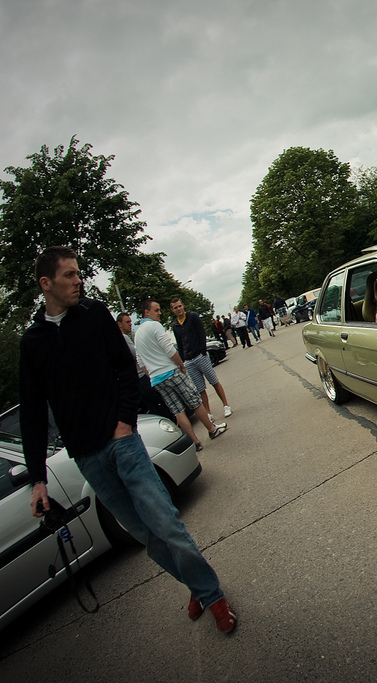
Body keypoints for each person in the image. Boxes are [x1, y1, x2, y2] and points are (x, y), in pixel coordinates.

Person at [20, 247, 237, 633]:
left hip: (123, 442)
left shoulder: (94, 316)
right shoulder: (33, 342)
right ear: (45, 283)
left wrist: (124, 422)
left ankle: (212, 593)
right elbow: (33, 411)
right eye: (69, 275)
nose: (78, 280)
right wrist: (38, 477)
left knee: (166, 524)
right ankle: (195, 585)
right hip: (87, 457)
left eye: (79, 273)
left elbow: (124, 368)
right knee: (146, 536)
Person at [135, 299, 228, 450]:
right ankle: (212, 429)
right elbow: (169, 349)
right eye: (156, 310)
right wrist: (181, 365)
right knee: (194, 400)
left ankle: (195, 442)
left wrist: (152, 373)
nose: (159, 313)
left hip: (156, 379)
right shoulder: (154, 326)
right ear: (147, 312)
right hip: (170, 372)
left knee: (177, 410)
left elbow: (140, 362)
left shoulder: (137, 334)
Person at [170, 297, 232, 422]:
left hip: (200, 355)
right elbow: (180, 343)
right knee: (200, 388)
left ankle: (226, 405)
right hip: (189, 360)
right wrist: (182, 361)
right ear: (172, 310)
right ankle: (208, 413)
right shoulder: (175, 326)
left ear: (183, 305)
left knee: (213, 381)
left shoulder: (192, 317)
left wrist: (203, 351)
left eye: (179, 306)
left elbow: (201, 333)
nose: (178, 309)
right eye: (175, 307)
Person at [117, 312, 173, 420]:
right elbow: (137, 354)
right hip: (142, 377)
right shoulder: (123, 338)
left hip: (134, 381)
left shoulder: (119, 339)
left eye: (131, 321)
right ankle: (171, 422)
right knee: (162, 399)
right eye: (127, 322)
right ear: (119, 324)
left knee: (152, 406)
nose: (130, 324)